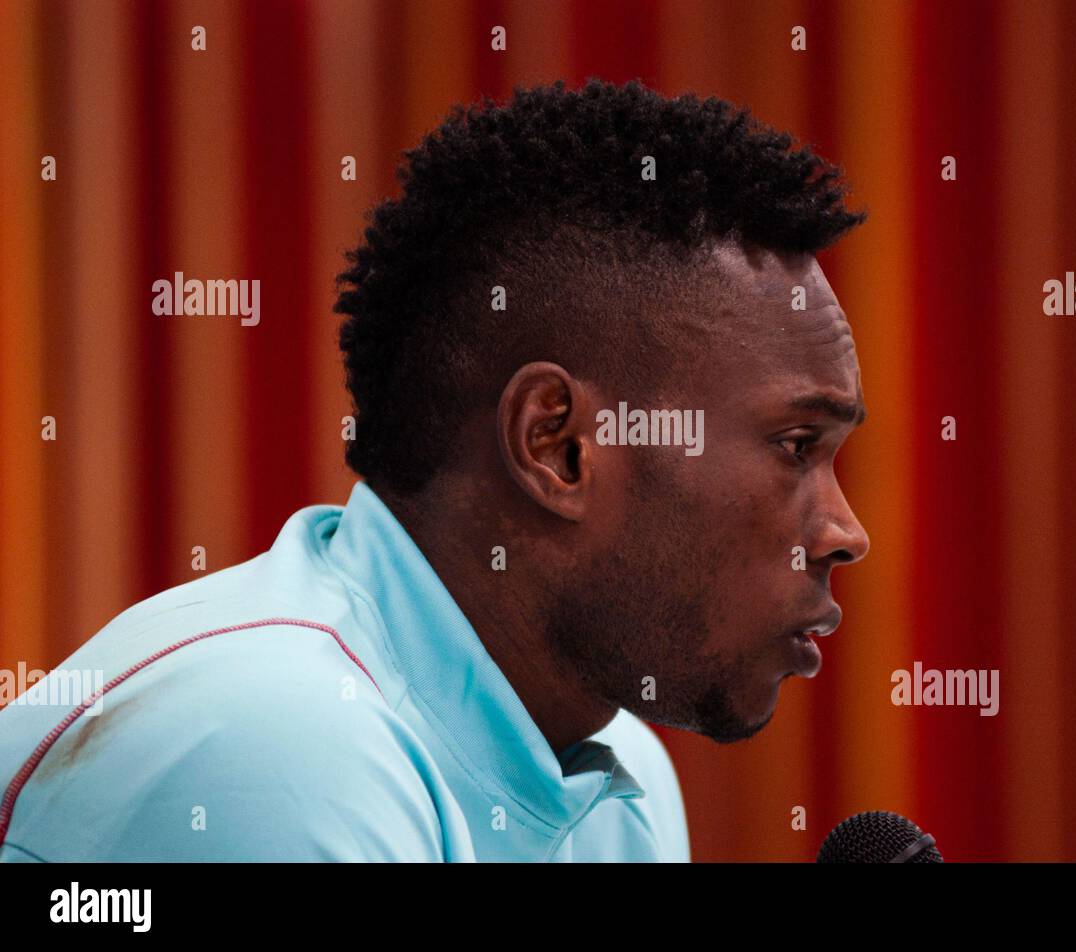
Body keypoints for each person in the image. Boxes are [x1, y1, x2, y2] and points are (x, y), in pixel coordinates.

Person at [0, 78, 869, 862]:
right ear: (559, 448)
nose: (846, 532)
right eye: (797, 448)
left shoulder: (614, 783)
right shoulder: (275, 745)